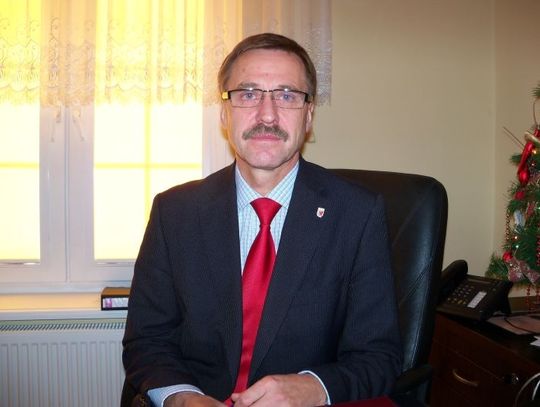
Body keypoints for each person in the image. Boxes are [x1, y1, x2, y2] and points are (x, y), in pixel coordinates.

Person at [122, 32, 402, 407]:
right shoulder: (174, 212)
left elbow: (379, 356)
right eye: (249, 93)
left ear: (309, 115)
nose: (267, 115)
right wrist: (182, 397)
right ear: (225, 113)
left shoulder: (357, 214)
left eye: (287, 95)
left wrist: (313, 387)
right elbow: (147, 340)